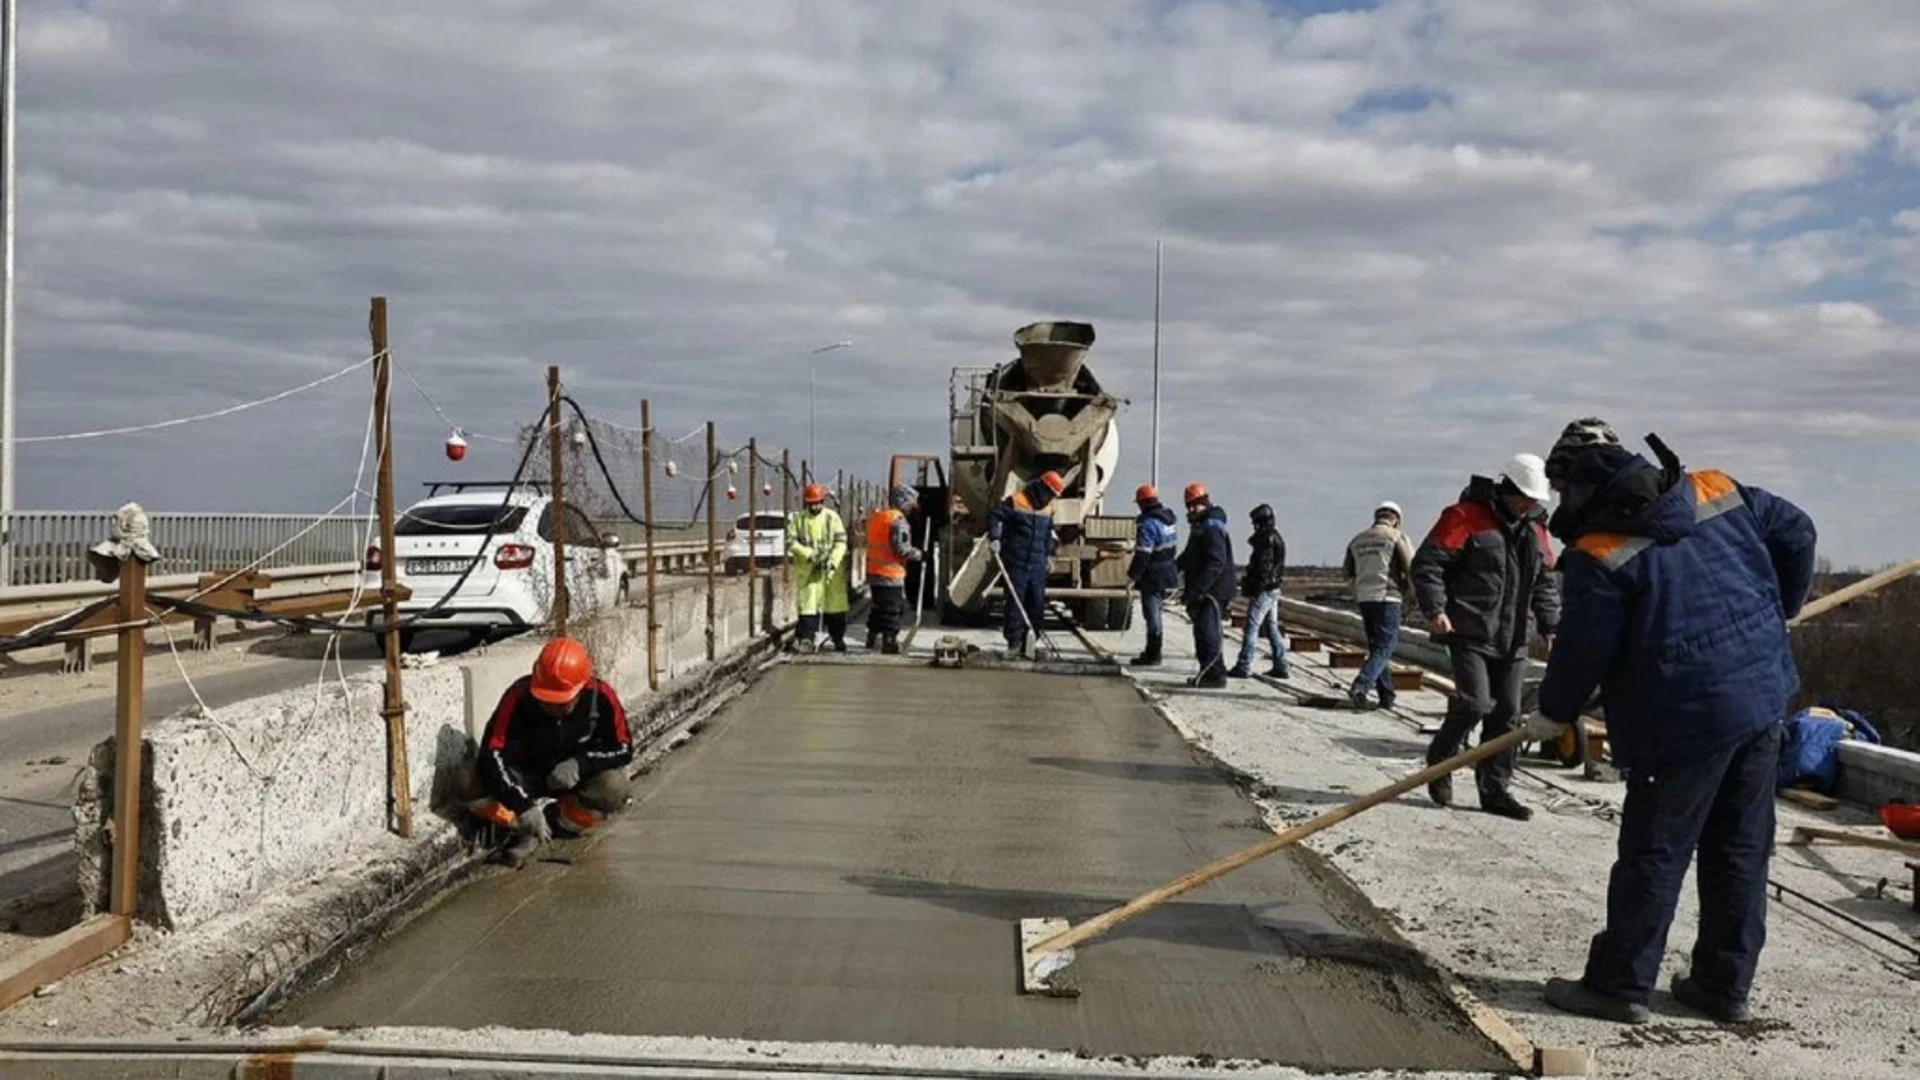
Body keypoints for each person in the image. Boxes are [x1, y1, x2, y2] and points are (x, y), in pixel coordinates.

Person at [1534, 423, 1815, 1026]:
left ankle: (1619, 985)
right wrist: (1779, 611)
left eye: (1561, 491)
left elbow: (1584, 651)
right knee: (1740, 850)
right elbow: (1799, 530)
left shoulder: (1599, 553)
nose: (1560, 505)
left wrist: (1554, 711)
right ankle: (1722, 985)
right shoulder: (1714, 488)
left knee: (1656, 853)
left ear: (1580, 484)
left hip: (1679, 721)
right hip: (1761, 700)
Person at [1411, 453, 1560, 820]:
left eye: (1535, 500)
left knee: (1507, 715)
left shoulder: (1536, 529)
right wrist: (1435, 609)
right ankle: (1440, 765)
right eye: (1524, 497)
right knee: (1475, 705)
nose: (1529, 505)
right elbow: (1427, 564)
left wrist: (1551, 625)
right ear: (1507, 488)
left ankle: (1495, 790)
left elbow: (1545, 582)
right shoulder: (1464, 517)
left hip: (1515, 637)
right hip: (1470, 630)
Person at [468, 637, 634, 867]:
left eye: (561, 703)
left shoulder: (601, 697)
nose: (551, 707)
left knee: (614, 787)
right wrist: (522, 805)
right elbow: (492, 754)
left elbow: (623, 748)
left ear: (580, 689)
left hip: (572, 785)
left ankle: (553, 823)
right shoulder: (519, 697)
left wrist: (580, 763)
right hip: (527, 779)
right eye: (545, 700)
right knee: (467, 781)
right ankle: (519, 825)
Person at [1344, 501, 1416, 709]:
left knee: (1377, 647)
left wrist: (1359, 589)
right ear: (1397, 519)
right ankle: (1361, 685)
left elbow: (1347, 573)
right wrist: (1413, 596)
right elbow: (1412, 569)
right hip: (1388, 597)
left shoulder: (1357, 540)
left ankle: (1386, 696)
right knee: (1386, 646)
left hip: (1365, 598)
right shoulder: (1396, 537)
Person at [987, 471, 1064, 658]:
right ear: (1041, 488)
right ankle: (1014, 642)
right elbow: (994, 516)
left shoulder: (1048, 509)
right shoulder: (1016, 501)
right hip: (1017, 561)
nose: (1051, 498)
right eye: (1050, 493)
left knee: (1036, 604)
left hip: (1037, 565)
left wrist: (1049, 556)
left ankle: (1031, 642)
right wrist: (995, 537)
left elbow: (1047, 535)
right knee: (1015, 602)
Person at [1176, 483, 1235, 688]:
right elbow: (1190, 555)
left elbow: (1216, 562)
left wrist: (1199, 589)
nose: (1191, 510)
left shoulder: (1211, 526)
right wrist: (1173, 567)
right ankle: (1208, 671)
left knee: (1208, 632)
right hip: (1205, 589)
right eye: (1189, 507)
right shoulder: (1201, 527)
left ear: (1204, 503)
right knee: (1202, 631)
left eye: (1194, 506)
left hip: (1213, 590)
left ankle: (1215, 675)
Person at [787, 482, 850, 653]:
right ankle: (806, 639)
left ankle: (837, 638)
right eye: (811, 503)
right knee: (809, 607)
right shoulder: (799, 520)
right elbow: (791, 542)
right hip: (809, 571)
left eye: (817, 502)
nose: (814, 506)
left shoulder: (832, 518)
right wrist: (810, 555)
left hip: (831, 573)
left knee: (835, 608)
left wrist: (832, 561)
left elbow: (841, 542)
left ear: (823, 501)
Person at [1229, 503, 1289, 679]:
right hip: (1273, 588)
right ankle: (1281, 664)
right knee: (1270, 628)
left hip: (1264, 590)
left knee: (1251, 627)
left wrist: (1253, 585)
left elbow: (1263, 569)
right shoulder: (1274, 537)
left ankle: (1244, 665)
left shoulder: (1266, 540)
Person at [865, 484, 924, 654]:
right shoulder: (898, 522)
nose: (911, 510)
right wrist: (919, 554)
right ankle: (889, 642)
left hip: (874, 571)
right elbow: (902, 549)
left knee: (877, 607)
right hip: (890, 573)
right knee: (892, 609)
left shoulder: (878, 518)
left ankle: (872, 637)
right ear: (903, 502)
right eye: (910, 505)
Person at [1126, 484, 1180, 667]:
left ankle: (1153, 654)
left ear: (1142, 504)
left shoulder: (1148, 524)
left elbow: (1143, 554)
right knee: (1157, 613)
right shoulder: (1168, 520)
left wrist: (1132, 577)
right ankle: (1154, 651)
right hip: (1168, 572)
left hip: (1153, 575)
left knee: (1152, 615)